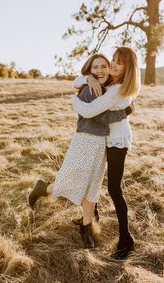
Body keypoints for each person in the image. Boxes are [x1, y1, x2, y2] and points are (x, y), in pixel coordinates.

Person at [27, 53, 132, 249]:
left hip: (102, 143)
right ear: (89, 70)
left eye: (104, 66)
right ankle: (43, 188)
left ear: (109, 69)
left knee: (92, 186)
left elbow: (111, 103)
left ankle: (86, 227)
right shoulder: (88, 89)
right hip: (85, 140)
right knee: (71, 179)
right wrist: (124, 112)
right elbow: (96, 117)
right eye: (95, 68)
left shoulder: (107, 88)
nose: (100, 70)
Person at [72, 46, 140, 259]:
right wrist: (87, 80)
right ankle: (90, 216)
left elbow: (89, 111)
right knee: (94, 177)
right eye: (113, 60)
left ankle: (126, 239)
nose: (112, 65)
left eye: (119, 63)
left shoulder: (117, 90)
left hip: (117, 142)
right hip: (104, 138)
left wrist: (73, 100)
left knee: (114, 189)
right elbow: (76, 80)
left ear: (128, 69)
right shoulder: (111, 83)